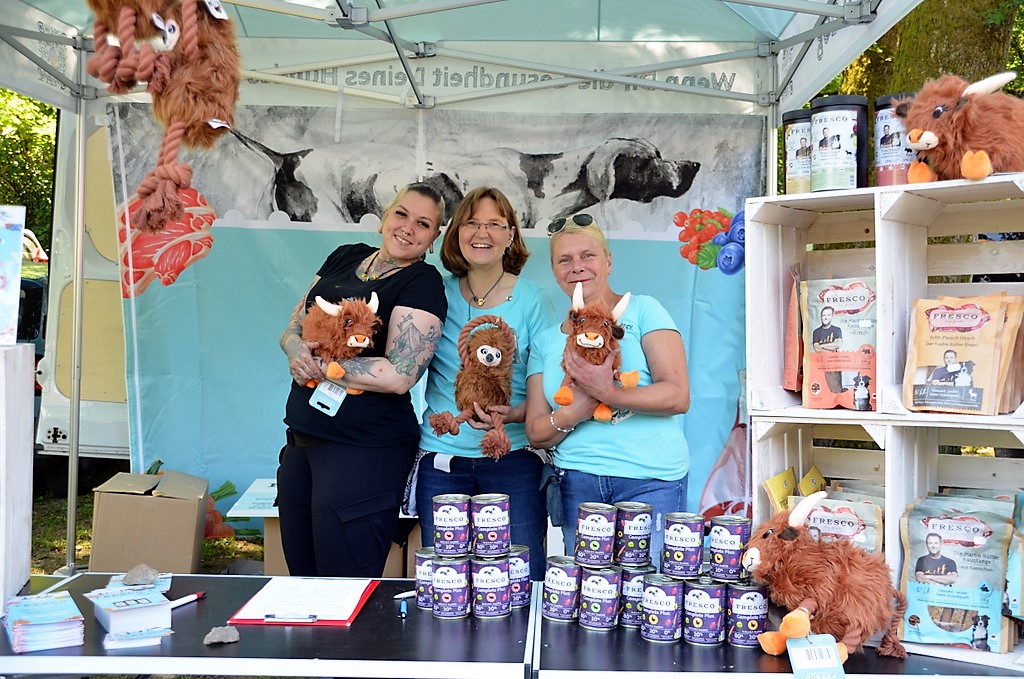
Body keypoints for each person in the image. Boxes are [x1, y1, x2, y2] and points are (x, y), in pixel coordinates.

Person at [277, 182, 448, 577]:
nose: (408, 228)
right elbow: (294, 325)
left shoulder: (422, 282)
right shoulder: (345, 255)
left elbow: (400, 375)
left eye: (423, 224)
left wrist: (325, 367)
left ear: (434, 237)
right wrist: (295, 349)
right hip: (302, 441)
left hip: (363, 451)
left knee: (344, 583)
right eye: (402, 214)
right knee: (301, 578)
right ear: (386, 215)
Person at [525, 213, 690, 560]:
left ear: (608, 261)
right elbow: (537, 432)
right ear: (554, 270)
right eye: (564, 260)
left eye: (588, 255)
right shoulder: (544, 341)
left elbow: (677, 395)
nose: (577, 266)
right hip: (578, 483)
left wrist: (608, 393)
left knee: (648, 585)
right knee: (588, 589)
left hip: (651, 482)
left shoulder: (645, 311)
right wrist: (576, 411)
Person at [415, 187, 556, 581]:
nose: (482, 233)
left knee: (521, 578)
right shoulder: (434, 293)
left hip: (514, 460)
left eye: (495, 224)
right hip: (442, 460)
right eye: (472, 223)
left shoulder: (533, 300)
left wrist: (514, 413)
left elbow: (552, 387)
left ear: (511, 235)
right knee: (446, 579)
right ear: (456, 232)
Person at [811, 305, 844, 394]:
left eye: (828, 315)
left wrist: (822, 346)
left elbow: (838, 344)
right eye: (823, 315)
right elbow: (817, 348)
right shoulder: (816, 332)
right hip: (820, 364)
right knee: (821, 389)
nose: (825, 317)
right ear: (821, 316)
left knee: (835, 389)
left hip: (834, 364)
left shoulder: (837, 330)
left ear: (832, 316)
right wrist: (831, 347)